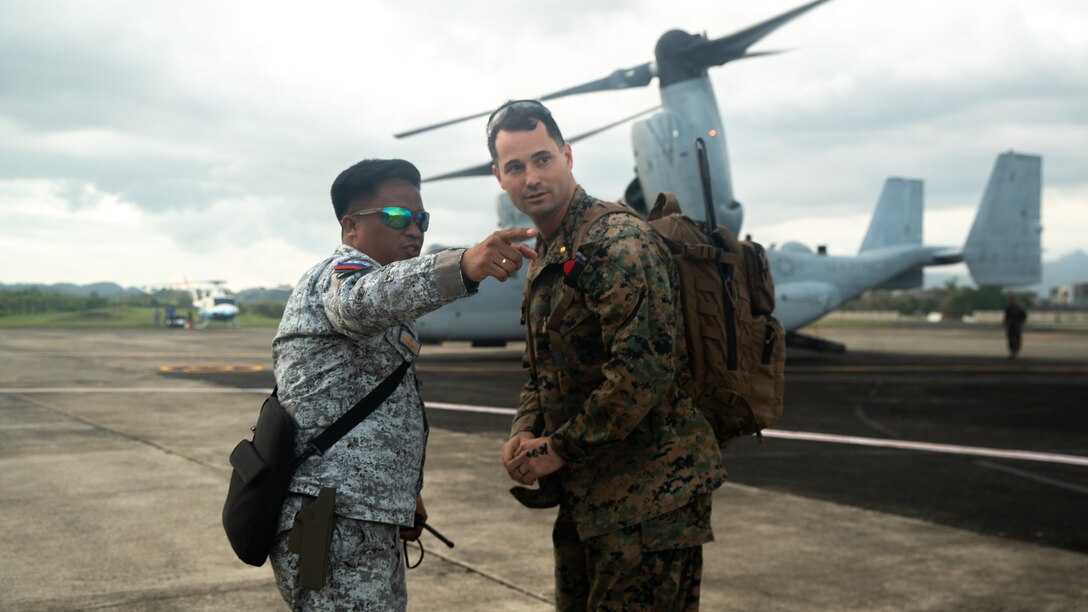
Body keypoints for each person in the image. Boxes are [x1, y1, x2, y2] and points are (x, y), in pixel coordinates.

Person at [270, 158, 536, 610]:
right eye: (396, 217)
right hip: (331, 519)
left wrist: (403, 493)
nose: (414, 231)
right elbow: (359, 304)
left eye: (421, 219)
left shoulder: (387, 298)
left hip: (364, 514)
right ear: (350, 227)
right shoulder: (337, 276)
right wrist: (464, 265)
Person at [491, 100, 726, 611]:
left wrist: (561, 448)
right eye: (515, 167)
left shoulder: (617, 242)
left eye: (542, 159)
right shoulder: (549, 251)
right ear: (500, 177)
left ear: (567, 156)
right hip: (590, 497)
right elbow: (542, 369)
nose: (531, 177)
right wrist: (526, 430)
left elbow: (642, 372)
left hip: (650, 502)